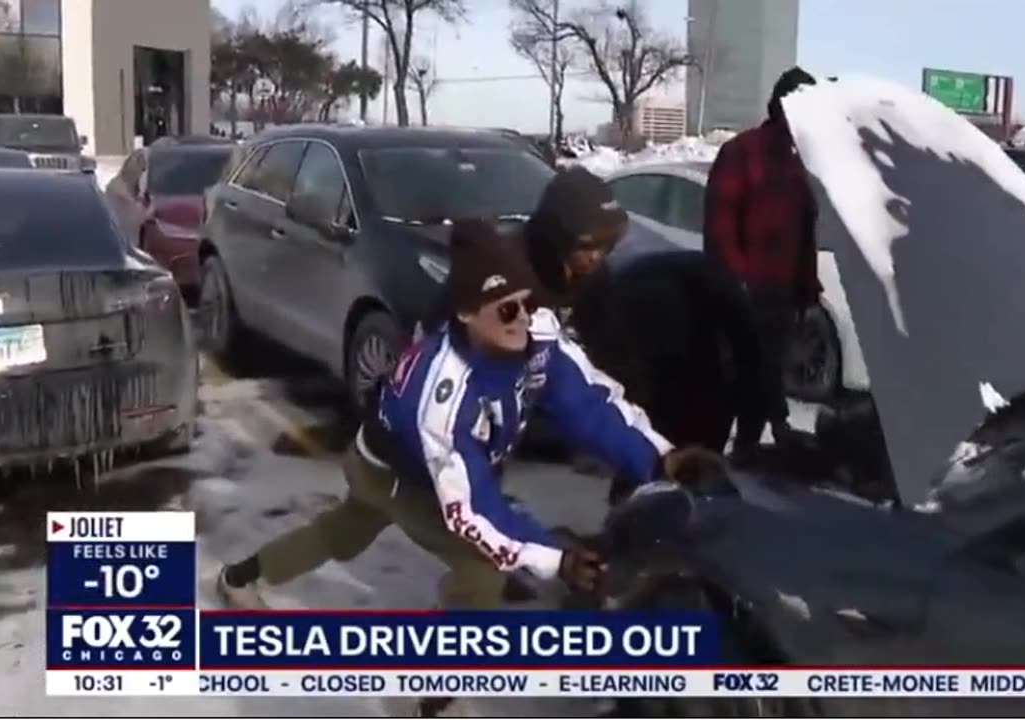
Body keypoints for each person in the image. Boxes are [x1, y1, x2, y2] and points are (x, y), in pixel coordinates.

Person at [216, 219, 725, 618]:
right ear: (464, 314)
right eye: (506, 311)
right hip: (394, 473)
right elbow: (473, 512)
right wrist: (557, 558)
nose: (524, 320)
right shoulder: (443, 395)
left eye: (528, 303)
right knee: (480, 572)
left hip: (412, 462)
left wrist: (662, 457)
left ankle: (239, 578)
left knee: (345, 533)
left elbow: (588, 402)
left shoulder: (535, 332)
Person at [521, 166, 770, 502]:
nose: (593, 257)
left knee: (685, 461)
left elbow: (752, 356)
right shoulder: (593, 286)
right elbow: (602, 383)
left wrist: (754, 431)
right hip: (663, 360)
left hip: (690, 363)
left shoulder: (702, 294)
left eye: (601, 248)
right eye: (587, 248)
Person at [703, 66, 821, 456]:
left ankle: (746, 460)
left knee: (762, 382)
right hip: (746, 292)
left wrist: (807, 291)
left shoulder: (802, 162)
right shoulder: (743, 151)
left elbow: (805, 234)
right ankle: (706, 468)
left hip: (782, 294)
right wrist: (737, 285)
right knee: (731, 386)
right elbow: (721, 225)